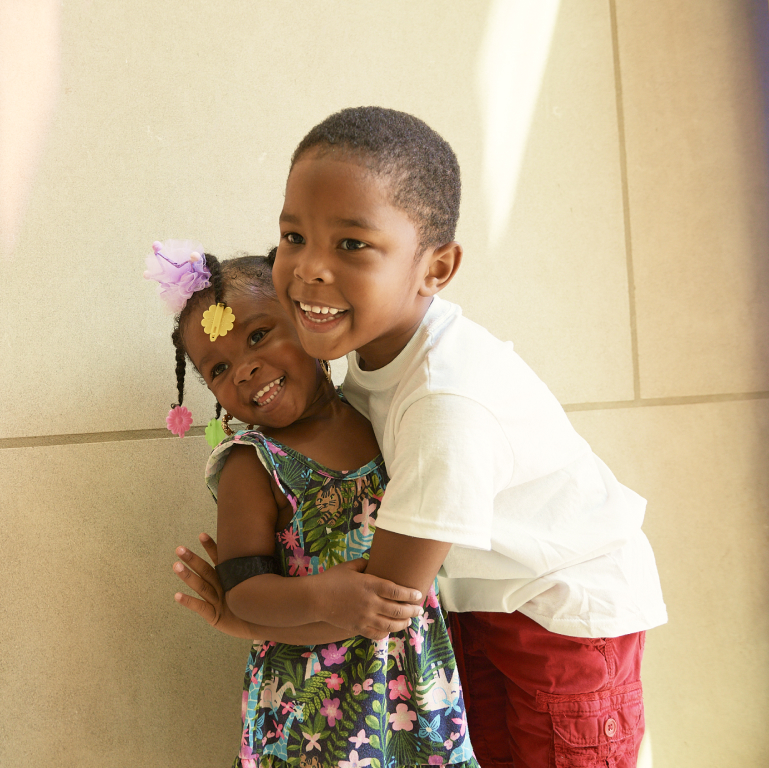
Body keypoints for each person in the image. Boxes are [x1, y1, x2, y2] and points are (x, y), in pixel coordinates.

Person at [258, 106, 666, 768]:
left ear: (437, 268)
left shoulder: (445, 402)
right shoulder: (371, 354)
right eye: (293, 235)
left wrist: (237, 613)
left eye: (351, 244)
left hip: (561, 619)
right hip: (482, 604)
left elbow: (381, 603)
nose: (308, 269)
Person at [146, 242, 478, 768]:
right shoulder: (252, 465)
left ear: (305, 322)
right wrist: (323, 598)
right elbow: (245, 594)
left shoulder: (375, 410)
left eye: (259, 336)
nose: (245, 370)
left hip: (412, 693)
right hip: (312, 719)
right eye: (218, 369)